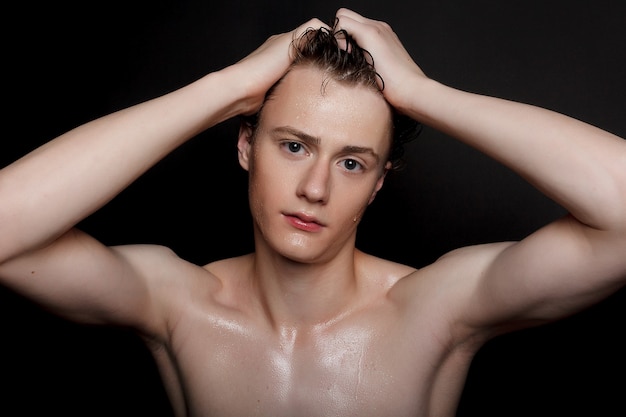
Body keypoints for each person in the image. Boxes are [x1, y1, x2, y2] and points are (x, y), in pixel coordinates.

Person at [1, 7, 625, 417]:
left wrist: (422, 95)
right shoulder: (177, 303)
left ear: (379, 183)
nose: (316, 188)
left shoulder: (436, 309)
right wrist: (225, 89)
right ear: (246, 145)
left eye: (353, 163)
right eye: (294, 146)